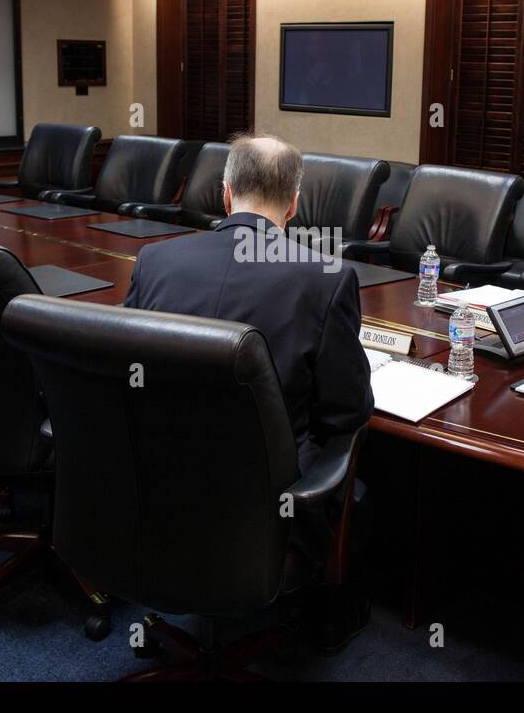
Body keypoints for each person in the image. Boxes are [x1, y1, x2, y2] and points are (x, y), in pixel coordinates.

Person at [124, 133, 373, 471]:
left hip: (156, 473)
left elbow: (124, 370)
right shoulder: (328, 278)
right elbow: (347, 410)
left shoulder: (153, 261)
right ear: (293, 205)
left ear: (226, 195)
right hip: (270, 491)